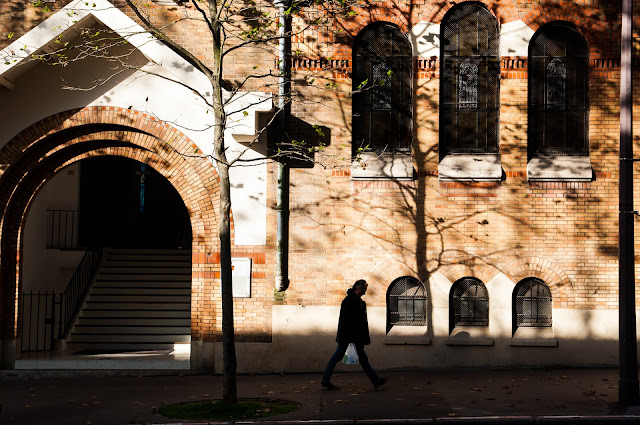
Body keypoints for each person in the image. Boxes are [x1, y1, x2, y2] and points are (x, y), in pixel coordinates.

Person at [321, 279, 389, 390]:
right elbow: (349, 322)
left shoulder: (354, 301)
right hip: (350, 338)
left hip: (351, 337)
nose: (365, 292)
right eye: (364, 290)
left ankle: (376, 381)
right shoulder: (350, 301)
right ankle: (325, 379)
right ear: (359, 289)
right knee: (340, 357)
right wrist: (352, 339)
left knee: (359, 358)